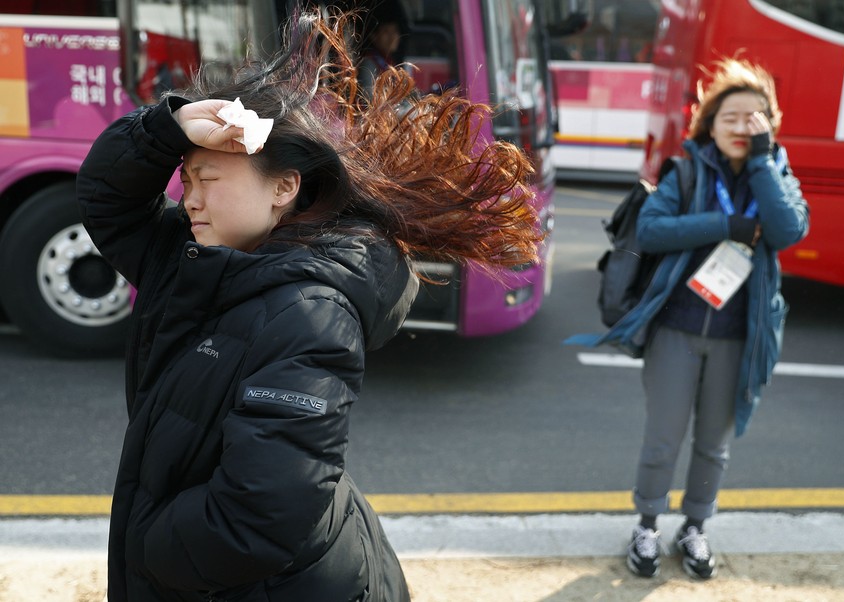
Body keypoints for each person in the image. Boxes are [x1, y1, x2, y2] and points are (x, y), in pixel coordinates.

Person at [77, 10, 541, 602]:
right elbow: (105, 200)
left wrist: (143, 546)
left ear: (283, 188)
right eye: (185, 179)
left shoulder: (310, 315)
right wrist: (168, 128)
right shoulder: (192, 257)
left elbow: (256, 519)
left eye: (209, 178)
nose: (189, 198)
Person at [576, 58, 809, 579]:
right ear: (710, 122)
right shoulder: (687, 169)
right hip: (676, 331)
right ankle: (647, 524)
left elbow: (788, 229)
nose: (742, 127)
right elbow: (654, 230)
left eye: (754, 118)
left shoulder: (777, 173)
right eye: (731, 117)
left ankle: (696, 527)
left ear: (769, 125)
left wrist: (763, 164)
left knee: (713, 443)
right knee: (663, 435)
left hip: (739, 338)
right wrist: (725, 223)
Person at [357, 13, 402, 99]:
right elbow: (368, 98)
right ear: (374, 36)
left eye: (394, 31)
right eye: (386, 32)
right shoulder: (368, 63)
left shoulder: (390, 62)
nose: (392, 37)